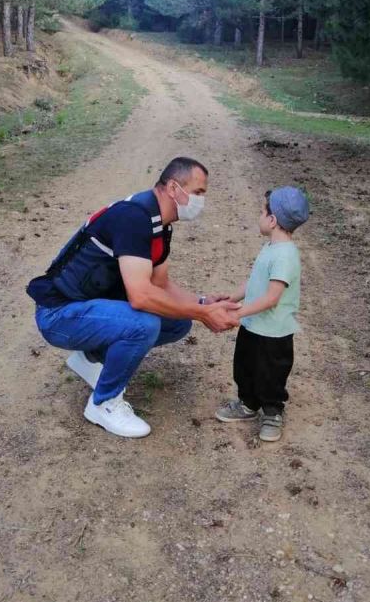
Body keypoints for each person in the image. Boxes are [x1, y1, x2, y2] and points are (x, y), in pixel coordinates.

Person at [27, 157, 240, 439]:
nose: (201, 201)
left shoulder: (160, 224)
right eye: (198, 192)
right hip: (58, 314)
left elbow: (160, 284)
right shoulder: (134, 218)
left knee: (178, 322)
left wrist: (202, 304)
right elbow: (141, 297)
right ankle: (103, 403)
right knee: (144, 323)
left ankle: (91, 359)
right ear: (174, 188)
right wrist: (202, 314)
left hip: (86, 309)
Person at [215, 186, 309, 442]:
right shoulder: (270, 247)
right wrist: (231, 299)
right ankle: (247, 404)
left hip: (274, 332)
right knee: (244, 366)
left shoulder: (286, 255)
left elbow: (272, 297)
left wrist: (238, 313)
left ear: (272, 219)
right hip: (253, 325)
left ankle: (272, 412)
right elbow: (255, 282)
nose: (259, 215)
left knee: (271, 374)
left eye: (262, 211)